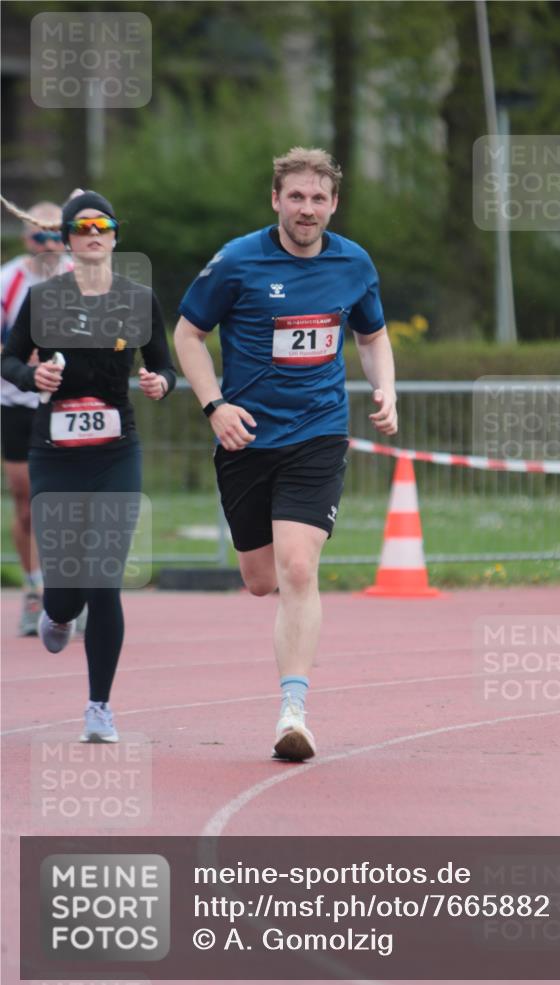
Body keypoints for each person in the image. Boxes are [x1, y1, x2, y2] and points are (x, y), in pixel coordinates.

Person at [175, 146, 397, 762]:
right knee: (260, 579)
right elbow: (187, 334)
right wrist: (215, 406)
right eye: (295, 197)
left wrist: (387, 388)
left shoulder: (354, 262)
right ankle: (288, 680)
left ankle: (293, 711)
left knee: (300, 568)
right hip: (245, 437)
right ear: (276, 200)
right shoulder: (238, 260)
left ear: (334, 204)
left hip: (318, 432)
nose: (307, 209)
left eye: (318, 198)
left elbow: (372, 334)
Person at [1, 190, 176, 742]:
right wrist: (33, 379)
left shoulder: (139, 299)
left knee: (104, 580)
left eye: (103, 225)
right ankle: (54, 609)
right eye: (82, 227)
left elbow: (164, 366)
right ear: (71, 241)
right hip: (54, 452)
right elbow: (8, 356)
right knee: (67, 589)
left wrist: (159, 383)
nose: (93, 233)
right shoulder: (44, 297)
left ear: (116, 237)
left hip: (114, 450)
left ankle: (99, 707)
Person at [1, 201, 70, 635]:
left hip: (64, 402)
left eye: (54, 234)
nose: (47, 243)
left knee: (65, 500)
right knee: (27, 502)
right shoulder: (8, 280)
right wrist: (20, 359)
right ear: (27, 236)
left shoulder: (78, 278)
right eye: (38, 234)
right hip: (15, 401)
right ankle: (33, 588)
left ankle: (67, 594)